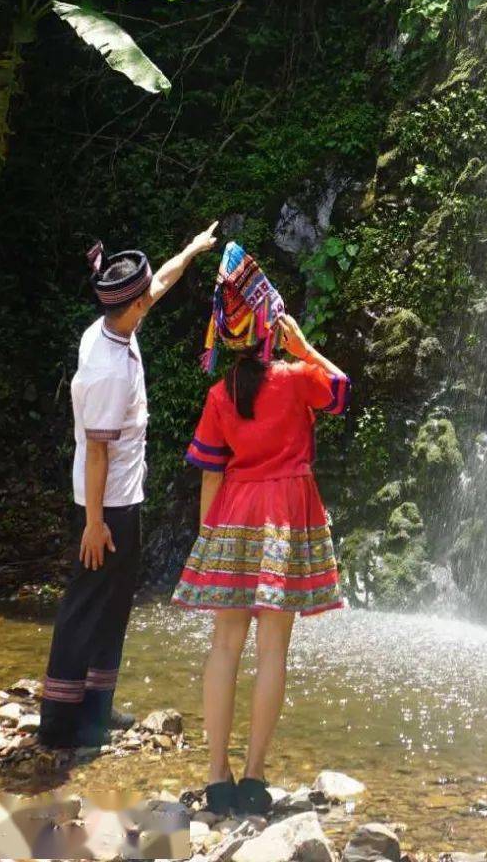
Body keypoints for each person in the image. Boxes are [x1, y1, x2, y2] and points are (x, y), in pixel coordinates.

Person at [172, 242, 351, 816]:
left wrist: (209, 543)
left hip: (233, 513)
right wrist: (304, 346)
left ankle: (214, 774)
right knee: (273, 649)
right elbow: (342, 390)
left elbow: (208, 469)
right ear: (272, 329)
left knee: (224, 646)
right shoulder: (298, 378)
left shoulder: (221, 395)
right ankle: (253, 776)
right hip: (286, 516)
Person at [37, 222, 219, 749]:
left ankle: (95, 709)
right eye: (145, 299)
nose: (151, 300)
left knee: (114, 601)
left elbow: (156, 282)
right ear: (133, 306)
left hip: (121, 496)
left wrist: (190, 249)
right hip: (106, 503)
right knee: (84, 604)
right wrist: (93, 524)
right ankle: (58, 724)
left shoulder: (111, 327)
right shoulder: (108, 369)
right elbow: (96, 452)